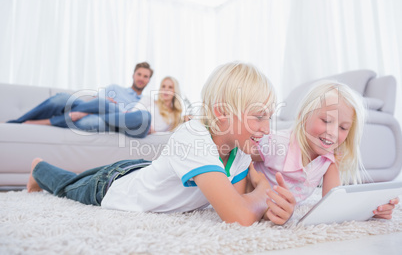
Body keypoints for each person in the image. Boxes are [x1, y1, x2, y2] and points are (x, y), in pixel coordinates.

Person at [26, 61, 296, 226]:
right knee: (68, 186)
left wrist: (271, 205)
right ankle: (39, 168)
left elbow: (236, 202)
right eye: (259, 117)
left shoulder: (241, 150)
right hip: (113, 186)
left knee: (81, 178)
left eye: (269, 118)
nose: (267, 128)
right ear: (222, 113)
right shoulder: (193, 138)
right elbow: (239, 215)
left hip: (145, 171)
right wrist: (262, 191)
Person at [251, 80, 399, 219]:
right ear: (303, 117)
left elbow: (333, 204)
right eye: (326, 121)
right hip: (253, 203)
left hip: (282, 210)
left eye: (343, 128)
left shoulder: (329, 159)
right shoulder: (277, 144)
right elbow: (241, 158)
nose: (333, 133)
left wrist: (372, 210)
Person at [7, 62, 153, 138]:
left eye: (145, 76)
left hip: (112, 121)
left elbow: (145, 125)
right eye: (139, 74)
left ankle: (46, 122)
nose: (141, 78)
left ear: (148, 80)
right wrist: (89, 110)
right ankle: (18, 122)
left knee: (92, 121)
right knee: (61, 99)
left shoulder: (145, 101)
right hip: (95, 109)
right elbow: (95, 102)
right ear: (133, 75)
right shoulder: (115, 88)